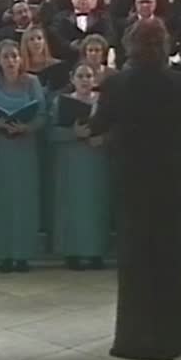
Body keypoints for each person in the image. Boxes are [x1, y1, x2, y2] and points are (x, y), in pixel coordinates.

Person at [87, 18, 181, 360]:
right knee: (169, 254)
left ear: (130, 45)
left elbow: (97, 125)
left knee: (135, 256)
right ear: (164, 45)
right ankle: (177, 335)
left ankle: (136, 338)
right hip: (169, 176)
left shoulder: (116, 83)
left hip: (132, 177)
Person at [0, 40, 47, 272]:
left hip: (24, 148)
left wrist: (27, 127)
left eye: (15, 56)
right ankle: (2, 255)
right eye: (6, 56)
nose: (11, 61)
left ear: (21, 59)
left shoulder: (32, 82)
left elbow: (42, 115)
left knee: (23, 201)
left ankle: (22, 255)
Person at [49, 63, 110, 270]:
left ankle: (96, 252)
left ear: (95, 79)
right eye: (81, 76)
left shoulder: (103, 102)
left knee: (96, 206)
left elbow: (115, 128)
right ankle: (72, 252)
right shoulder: (60, 102)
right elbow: (51, 132)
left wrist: (103, 138)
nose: (85, 80)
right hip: (71, 161)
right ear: (72, 78)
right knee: (71, 205)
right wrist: (72, 133)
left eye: (89, 76)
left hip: (96, 161)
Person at [50, 0, 115, 62]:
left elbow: (110, 37)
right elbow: (55, 37)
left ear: (94, 0)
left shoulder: (104, 18)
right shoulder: (60, 18)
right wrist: (70, 45)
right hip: (67, 59)